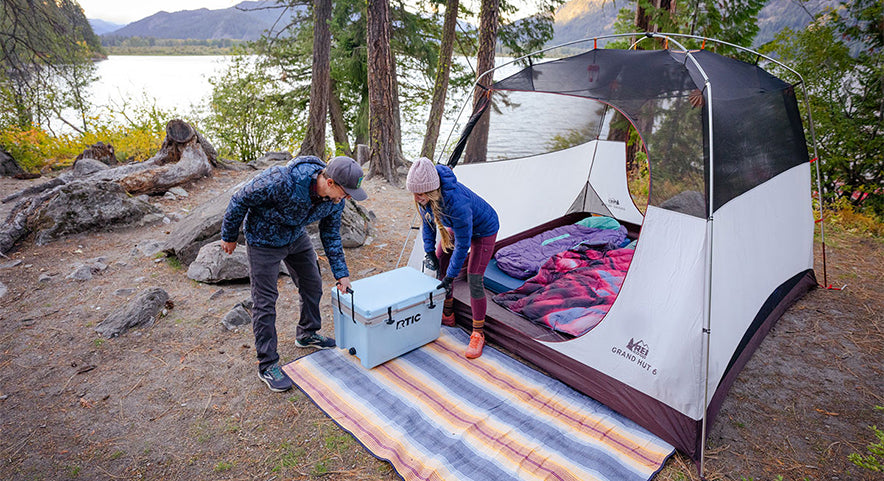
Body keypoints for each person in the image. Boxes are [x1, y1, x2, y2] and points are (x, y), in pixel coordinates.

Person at [220, 155, 367, 392]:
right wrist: (228, 235)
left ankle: (307, 333)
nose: (347, 198)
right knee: (265, 302)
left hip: (296, 237)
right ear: (329, 182)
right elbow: (240, 198)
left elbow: (330, 236)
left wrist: (341, 273)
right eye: (346, 191)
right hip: (263, 240)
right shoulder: (281, 180)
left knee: (312, 283)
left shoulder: (335, 201)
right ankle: (267, 364)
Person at [405, 157, 499, 359]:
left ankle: (478, 333)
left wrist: (450, 277)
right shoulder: (423, 196)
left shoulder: (456, 203)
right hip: (458, 226)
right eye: (413, 192)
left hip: (484, 230)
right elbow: (428, 223)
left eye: (419, 194)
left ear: (431, 190)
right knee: (440, 260)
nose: (416, 197)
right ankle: (448, 314)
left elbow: (463, 245)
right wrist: (429, 252)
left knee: (474, 278)